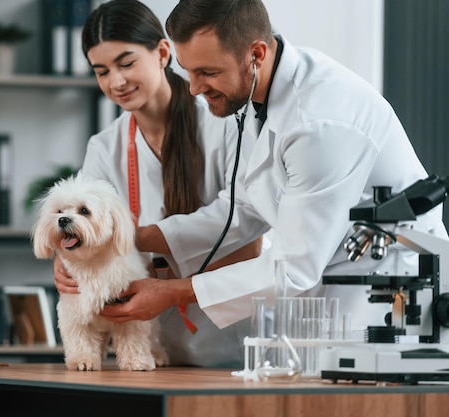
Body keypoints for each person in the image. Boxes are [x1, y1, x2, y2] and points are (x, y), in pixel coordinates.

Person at [98, 0, 448, 342]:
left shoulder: (320, 123)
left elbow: (292, 269)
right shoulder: (255, 97)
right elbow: (244, 209)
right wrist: (136, 236)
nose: (194, 88)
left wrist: (173, 292)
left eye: (208, 72)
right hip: (332, 289)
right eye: (188, 70)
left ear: (257, 54)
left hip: (390, 290)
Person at [53, 0, 263, 368]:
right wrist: (67, 255)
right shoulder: (104, 147)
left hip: (231, 338)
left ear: (163, 52)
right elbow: (85, 229)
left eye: (126, 63)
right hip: (145, 344)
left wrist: (135, 238)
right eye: (101, 71)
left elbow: (249, 237)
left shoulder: (225, 124)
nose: (116, 82)